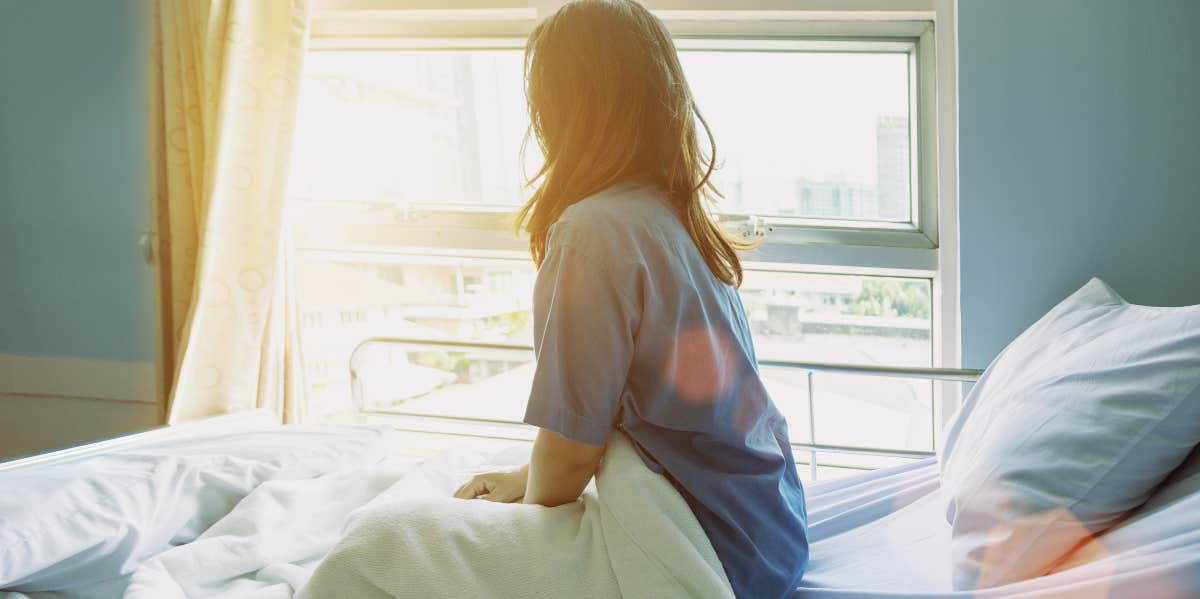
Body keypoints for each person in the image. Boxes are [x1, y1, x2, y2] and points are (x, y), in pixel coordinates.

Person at [453, 1, 809, 596]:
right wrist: (525, 475)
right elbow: (660, 425)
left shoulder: (593, 231)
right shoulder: (676, 219)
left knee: (381, 543)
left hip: (707, 550)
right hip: (769, 532)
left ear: (562, 107)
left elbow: (571, 457)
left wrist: (527, 524)